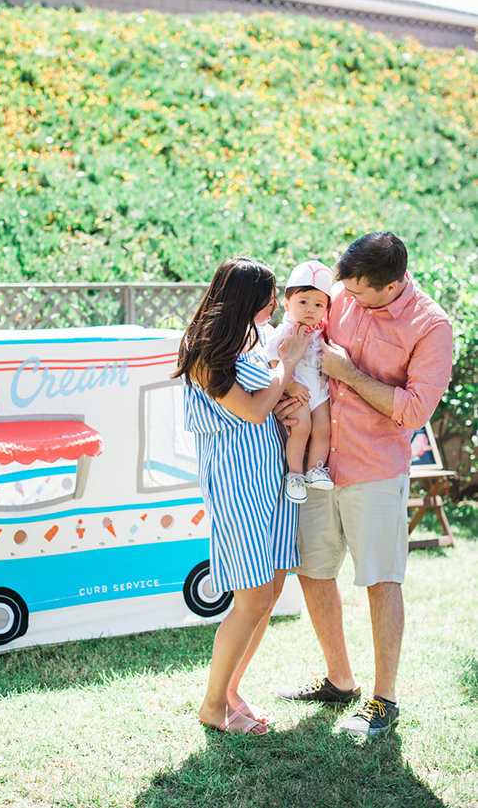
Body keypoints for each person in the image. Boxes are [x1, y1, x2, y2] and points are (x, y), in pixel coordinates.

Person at [275, 232, 453, 737]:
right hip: (317, 467)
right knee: (312, 570)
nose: (345, 300)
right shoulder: (347, 294)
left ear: (392, 284)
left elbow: (414, 410)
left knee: (380, 579)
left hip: (374, 470)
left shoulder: (431, 327)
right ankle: (339, 679)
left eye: (357, 293)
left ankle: (384, 700)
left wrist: (348, 373)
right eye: (343, 290)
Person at [173, 256, 307, 736]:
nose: (275, 305)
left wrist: (284, 389)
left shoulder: (246, 339)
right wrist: (286, 364)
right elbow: (251, 412)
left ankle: (229, 691)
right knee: (251, 598)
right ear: (246, 299)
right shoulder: (208, 351)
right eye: (269, 297)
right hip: (236, 486)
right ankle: (213, 704)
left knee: (268, 592)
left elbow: (265, 401)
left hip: (266, 477)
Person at [266, 260, 334, 504]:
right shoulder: (287, 329)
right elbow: (271, 356)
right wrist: (289, 385)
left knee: (324, 428)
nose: (310, 309)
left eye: (318, 304)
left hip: (320, 389)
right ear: (287, 304)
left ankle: (316, 469)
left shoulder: (319, 329)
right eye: (302, 302)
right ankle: (294, 474)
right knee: (301, 427)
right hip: (297, 389)